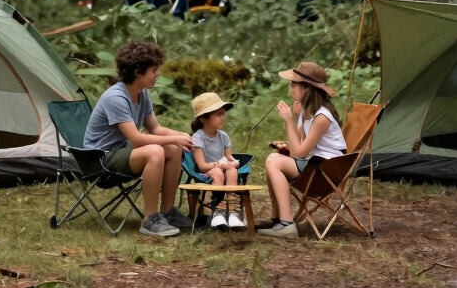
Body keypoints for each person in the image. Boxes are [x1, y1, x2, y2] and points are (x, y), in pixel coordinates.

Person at [82, 41, 193, 237]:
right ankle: (150, 219)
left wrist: (180, 136)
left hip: (122, 149)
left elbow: (155, 129)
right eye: (153, 70)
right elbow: (136, 138)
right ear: (137, 72)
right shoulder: (115, 98)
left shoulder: (142, 94)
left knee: (173, 149)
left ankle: (168, 212)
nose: (157, 74)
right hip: (100, 159)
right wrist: (172, 139)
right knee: (155, 151)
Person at [259, 60, 346, 238]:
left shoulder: (322, 116)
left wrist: (289, 120)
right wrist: (296, 119)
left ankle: (287, 224)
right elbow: (296, 145)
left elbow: (299, 152)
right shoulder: (307, 111)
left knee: (274, 163)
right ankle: (277, 219)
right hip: (316, 165)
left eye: (293, 84)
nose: (290, 88)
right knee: (273, 158)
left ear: (306, 88)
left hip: (327, 172)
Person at [190, 92, 246, 231]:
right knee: (217, 172)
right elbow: (202, 166)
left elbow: (229, 157)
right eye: (218, 114)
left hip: (222, 167)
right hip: (207, 171)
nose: (223, 117)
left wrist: (233, 162)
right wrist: (218, 165)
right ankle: (218, 208)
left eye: (223, 113)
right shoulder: (198, 137)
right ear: (203, 118)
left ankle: (231, 207)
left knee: (232, 170)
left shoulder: (223, 136)